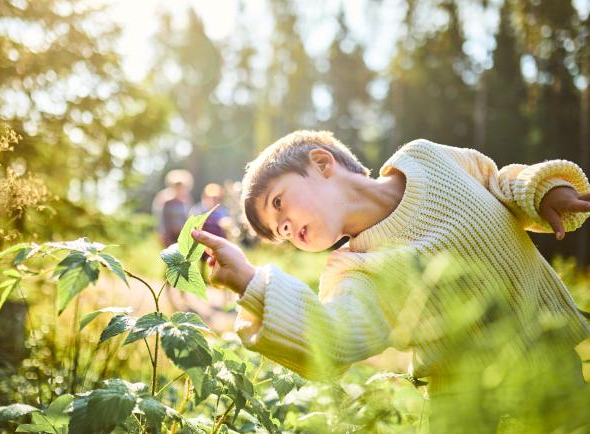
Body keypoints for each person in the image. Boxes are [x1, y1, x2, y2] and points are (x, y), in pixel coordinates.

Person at [191, 130, 590, 432]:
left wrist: (543, 192)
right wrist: (249, 283)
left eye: (279, 203)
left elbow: (497, 181)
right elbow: (332, 337)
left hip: (551, 362)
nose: (288, 228)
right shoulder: (357, 269)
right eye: (280, 230)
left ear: (322, 163)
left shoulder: (426, 158)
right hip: (464, 404)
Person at [152, 169, 194, 248]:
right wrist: (162, 233)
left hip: (182, 234)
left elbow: (188, 217)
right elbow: (162, 219)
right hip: (169, 234)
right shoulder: (166, 201)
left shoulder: (186, 200)